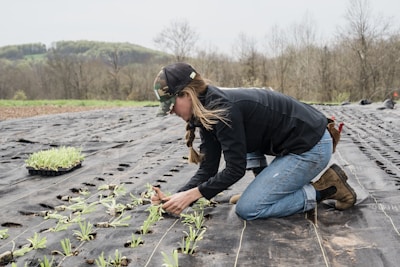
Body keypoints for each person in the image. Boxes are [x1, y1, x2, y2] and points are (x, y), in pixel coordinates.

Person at [151, 62, 357, 220]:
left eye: (172, 106)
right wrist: (174, 198)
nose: (171, 112)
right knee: (252, 193)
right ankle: (264, 191)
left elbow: (235, 169)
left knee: (249, 209)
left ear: (186, 94)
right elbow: (208, 170)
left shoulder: (222, 110)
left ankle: (326, 188)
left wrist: (190, 196)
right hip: (295, 144)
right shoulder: (205, 111)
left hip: (311, 147)